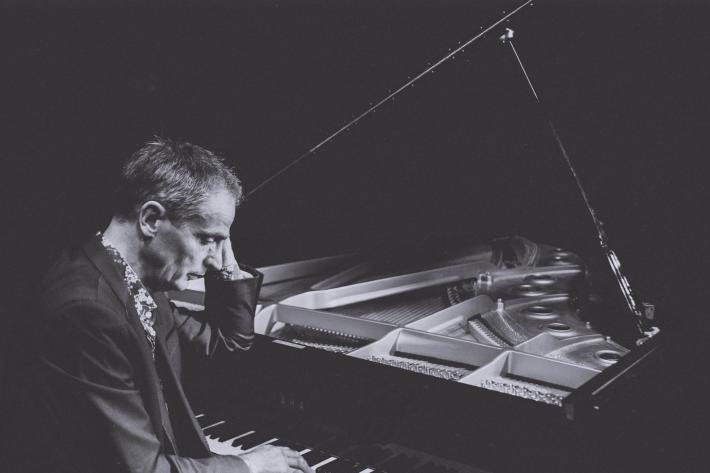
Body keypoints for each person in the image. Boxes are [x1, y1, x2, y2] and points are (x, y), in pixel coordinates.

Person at [1, 138, 312, 473]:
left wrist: (228, 268)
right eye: (206, 239)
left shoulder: (133, 281)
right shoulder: (87, 310)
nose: (212, 260)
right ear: (150, 219)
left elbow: (225, 344)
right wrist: (250, 464)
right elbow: (145, 471)